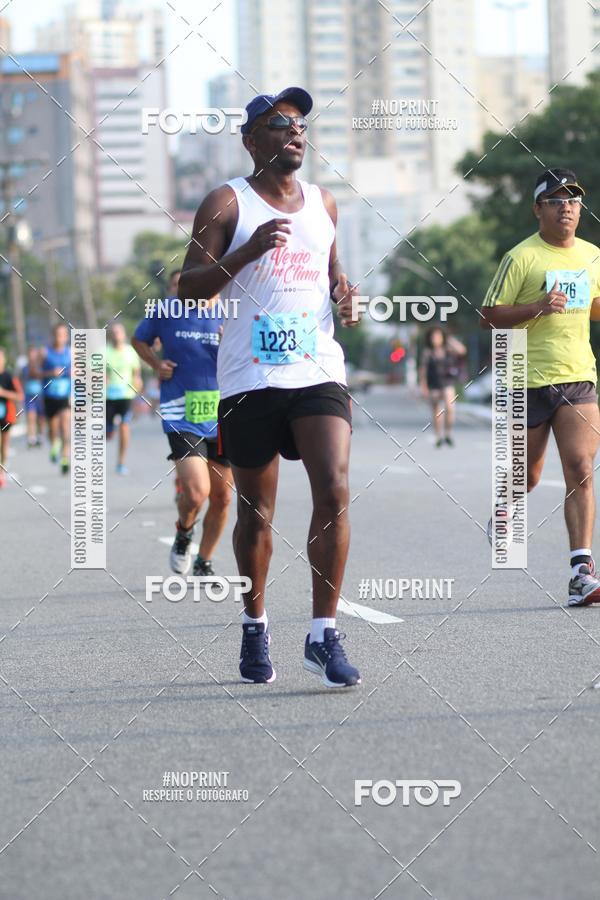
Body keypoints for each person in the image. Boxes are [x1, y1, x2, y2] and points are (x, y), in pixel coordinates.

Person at [178, 86, 363, 687]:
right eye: (281, 124)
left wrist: (344, 296)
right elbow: (188, 287)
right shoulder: (225, 202)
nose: (295, 133)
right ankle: (255, 623)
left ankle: (322, 635)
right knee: (256, 513)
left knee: (334, 489)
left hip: (317, 369)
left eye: (300, 124)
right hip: (249, 378)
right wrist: (247, 251)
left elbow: (331, 272)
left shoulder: (324, 203)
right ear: (251, 139)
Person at [481, 167, 600, 606]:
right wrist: (537, 306)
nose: (566, 207)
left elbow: (594, 306)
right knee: (526, 476)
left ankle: (581, 573)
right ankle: (506, 505)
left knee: (580, 468)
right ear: (538, 209)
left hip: (578, 376)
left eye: (573, 200)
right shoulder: (521, 258)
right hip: (526, 378)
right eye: (556, 200)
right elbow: (489, 316)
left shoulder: (593, 255)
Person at [132, 269, 232, 579]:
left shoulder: (229, 311)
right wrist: (156, 363)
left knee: (223, 497)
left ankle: (204, 561)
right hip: (181, 411)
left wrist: (231, 343)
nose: (182, 290)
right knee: (197, 492)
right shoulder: (166, 310)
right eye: (177, 285)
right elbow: (139, 339)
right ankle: (185, 531)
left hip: (224, 413)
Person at [419, 326, 466, 447]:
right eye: (433, 336)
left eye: (438, 336)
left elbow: (462, 350)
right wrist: (423, 386)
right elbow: (423, 370)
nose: (435, 339)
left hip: (447, 382)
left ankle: (448, 433)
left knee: (450, 408)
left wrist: (449, 339)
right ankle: (438, 436)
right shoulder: (428, 352)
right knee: (437, 412)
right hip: (434, 384)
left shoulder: (448, 349)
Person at [106, 323, 142, 475]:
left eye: (119, 332)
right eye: (114, 332)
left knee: (124, 426)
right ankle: (109, 429)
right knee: (109, 433)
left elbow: (136, 374)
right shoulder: (104, 352)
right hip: (108, 397)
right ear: (110, 335)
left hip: (126, 395)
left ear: (124, 334)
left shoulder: (130, 352)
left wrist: (137, 387)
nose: (117, 335)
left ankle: (120, 462)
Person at [38, 323, 71, 474]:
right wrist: (50, 373)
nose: (60, 337)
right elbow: (33, 372)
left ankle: (65, 458)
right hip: (50, 395)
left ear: (67, 337)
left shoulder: (71, 352)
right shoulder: (45, 352)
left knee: (65, 425)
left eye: (63, 335)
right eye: (58, 334)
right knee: (52, 428)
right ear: (53, 336)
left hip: (66, 395)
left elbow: (82, 370)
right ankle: (55, 444)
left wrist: (74, 372)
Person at [0, 347, 24, 488]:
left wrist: (3, 393)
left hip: (6, 415)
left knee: (4, 445)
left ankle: (2, 472)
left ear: (4, 359)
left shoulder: (9, 377)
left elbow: (20, 396)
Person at [21, 346, 45, 448]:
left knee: (41, 417)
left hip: (40, 395)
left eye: (34, 354)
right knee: (31, 416)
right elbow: (24, 379)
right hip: (29, 395)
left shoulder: (41, 366)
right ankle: (31, 438)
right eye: (30, 354)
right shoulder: (25, 368)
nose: (32, 356)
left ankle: (40, 435)